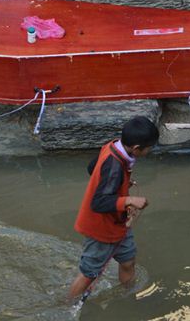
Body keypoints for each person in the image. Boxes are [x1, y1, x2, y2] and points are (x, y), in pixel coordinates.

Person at [68, 116, 159, 301]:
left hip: (119, 224)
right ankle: (67, 305)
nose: (150, 150)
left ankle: (127, 297)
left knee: (128, 261)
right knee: (89, 274)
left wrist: (121, 185)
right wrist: (128, 199)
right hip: (102, 229)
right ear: (136, 148)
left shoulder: (112, 146)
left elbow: (92, 168)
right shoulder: (115, 166)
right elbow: (99, 203)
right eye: (149, 147)